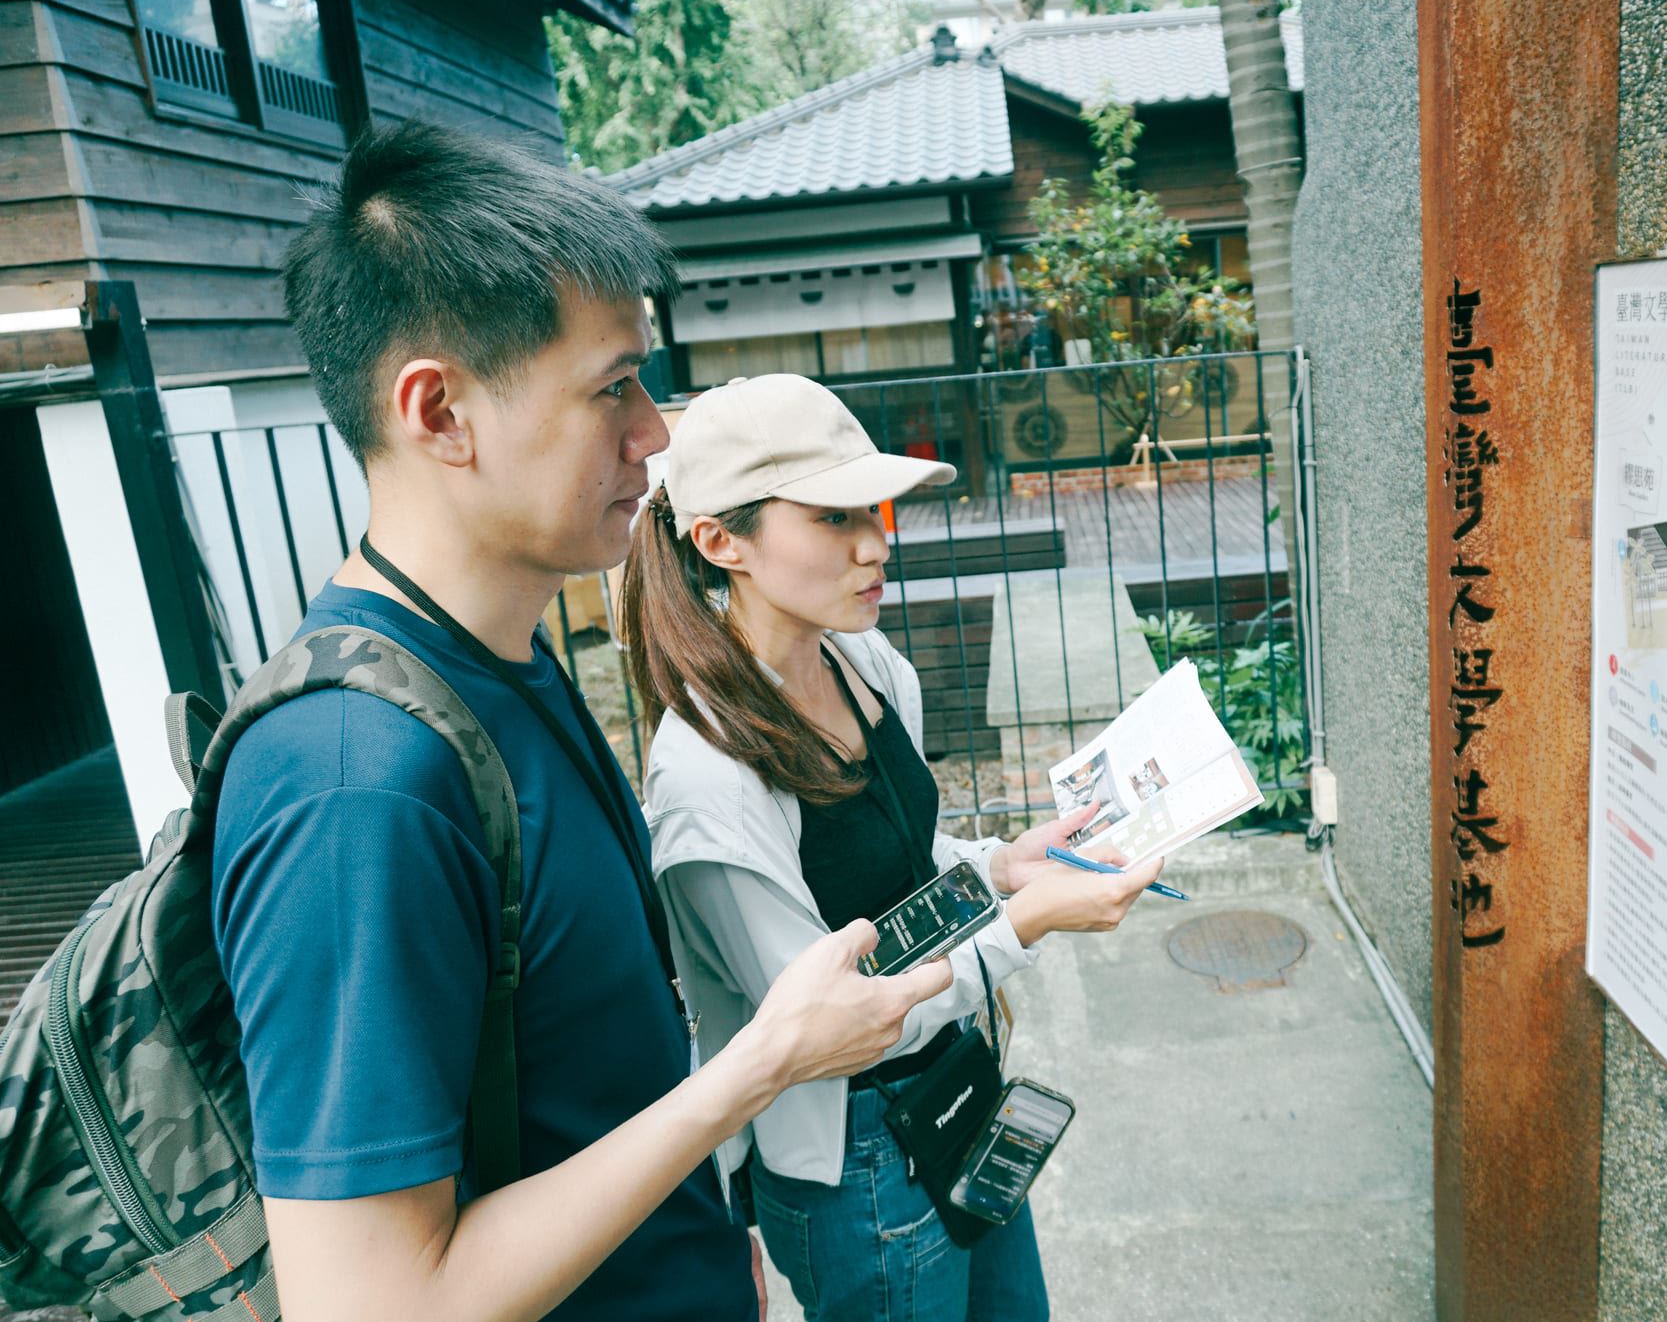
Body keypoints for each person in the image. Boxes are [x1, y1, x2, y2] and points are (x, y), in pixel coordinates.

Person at [209, 124, 952, 1322]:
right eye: (613, 386)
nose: (654, 432)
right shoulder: (354, 782)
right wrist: (760, 1067)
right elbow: (374, 1305)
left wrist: (715, 1234)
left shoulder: (506, 670)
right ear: (438, 413)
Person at [621, 374, 1164, 1322]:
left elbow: (891, 861)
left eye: (872, 508)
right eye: (833, 517)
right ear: (721, 540)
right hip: (858, 1164)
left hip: (957, 1090)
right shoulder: (707, 776)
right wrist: (1023, 923)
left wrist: (999, 866)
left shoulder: (862, 660)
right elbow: (833, 1025)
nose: (877, 543)